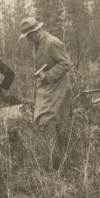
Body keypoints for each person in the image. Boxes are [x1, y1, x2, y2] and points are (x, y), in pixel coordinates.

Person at [19, 17, 73, 170]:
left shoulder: (52, 42)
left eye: (30, 35)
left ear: (37, 31)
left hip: (58, 88)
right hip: (47, 89)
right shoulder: (38, 43)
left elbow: (66, 63)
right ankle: (56, 157)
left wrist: (48, 75)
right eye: (27, 36)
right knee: (49, 121)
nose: (29, 39)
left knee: (52, 121)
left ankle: (57, 160)